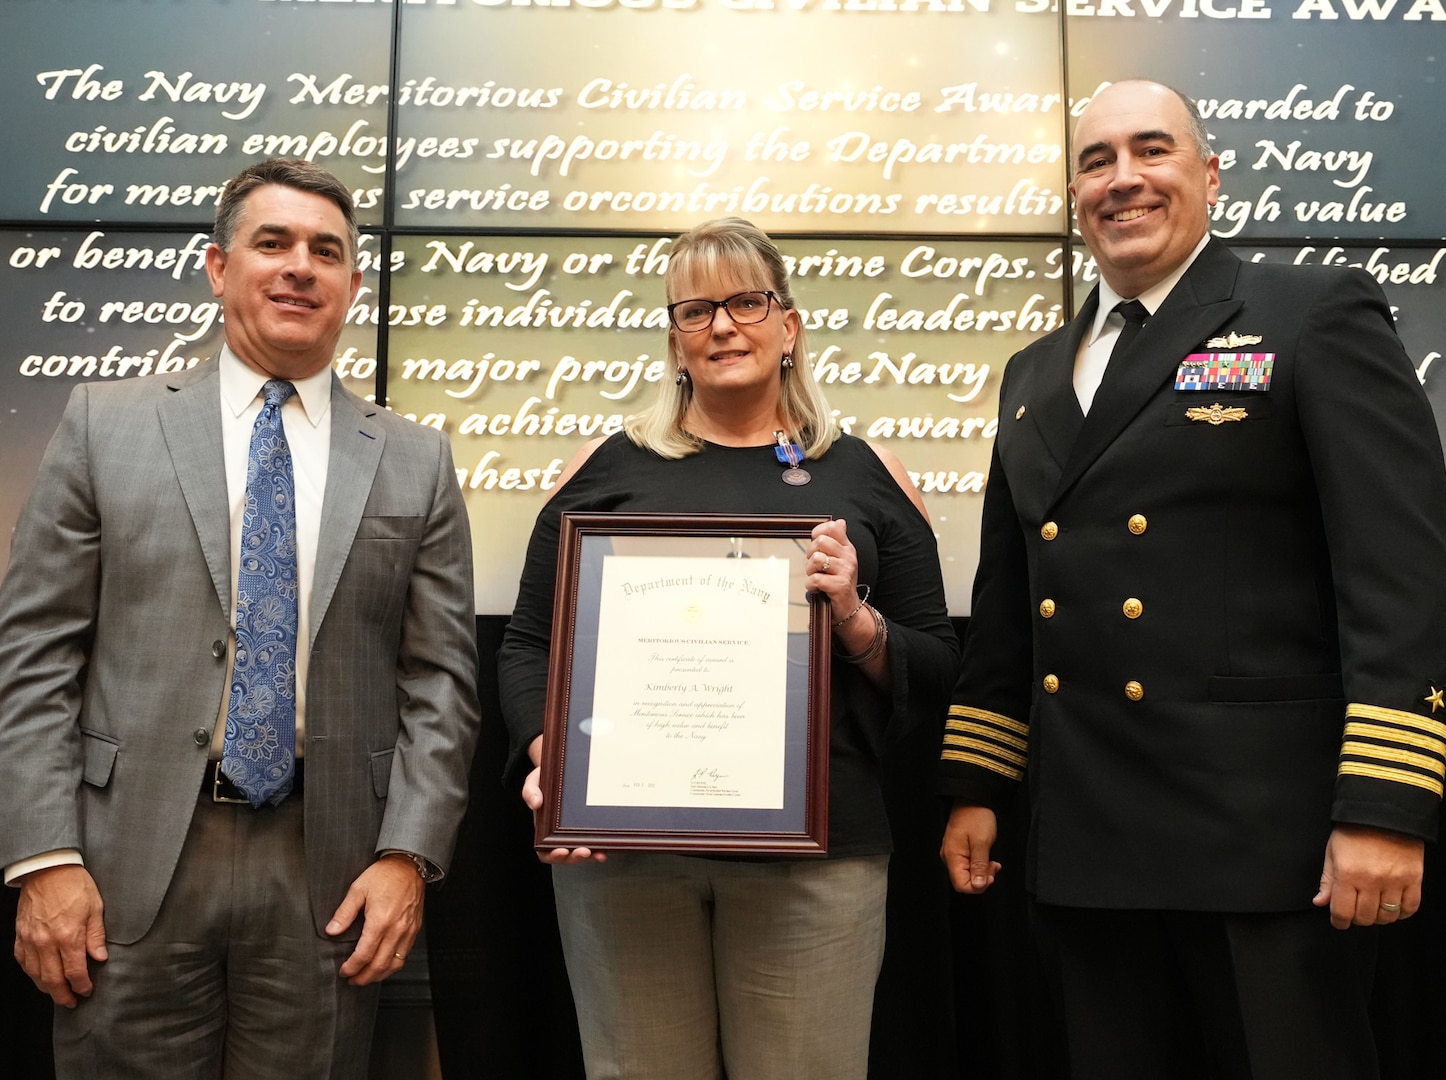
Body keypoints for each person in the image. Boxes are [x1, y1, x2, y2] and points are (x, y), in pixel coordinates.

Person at [938, 80, 1446, 1079]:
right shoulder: (1035, 372)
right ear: (1073, 194)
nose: (1123, 178)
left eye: (1152, 150)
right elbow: (1012, 611)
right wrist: (978, 782)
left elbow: (1402, 575)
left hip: (1270, 841)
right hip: (1091, 835)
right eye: (1097, 161)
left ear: (1210, 175)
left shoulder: (1308, 313)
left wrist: (1385, 806)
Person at [0, 158, 481, 1078]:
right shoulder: (105, 423)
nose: (301, 265)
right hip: (122, 866)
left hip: (329, 875)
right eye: (274, 242)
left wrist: (409, 857)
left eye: (326, 251)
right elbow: (35, 655)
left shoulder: (416, 460)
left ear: (351, 286)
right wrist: (43, 857)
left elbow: (441, 681)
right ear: (219, 268)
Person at [498, 217, 958, 1080]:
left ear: (789, 326)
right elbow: (529, 644)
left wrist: (855, 615)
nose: (722, 326)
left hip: (818, 861)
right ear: (673, 339)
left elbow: (937, 668)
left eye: (747, 301)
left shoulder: (869, 474)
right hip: (626, 859)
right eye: (696, 309)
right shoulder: (602, 468)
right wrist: (551, 759)